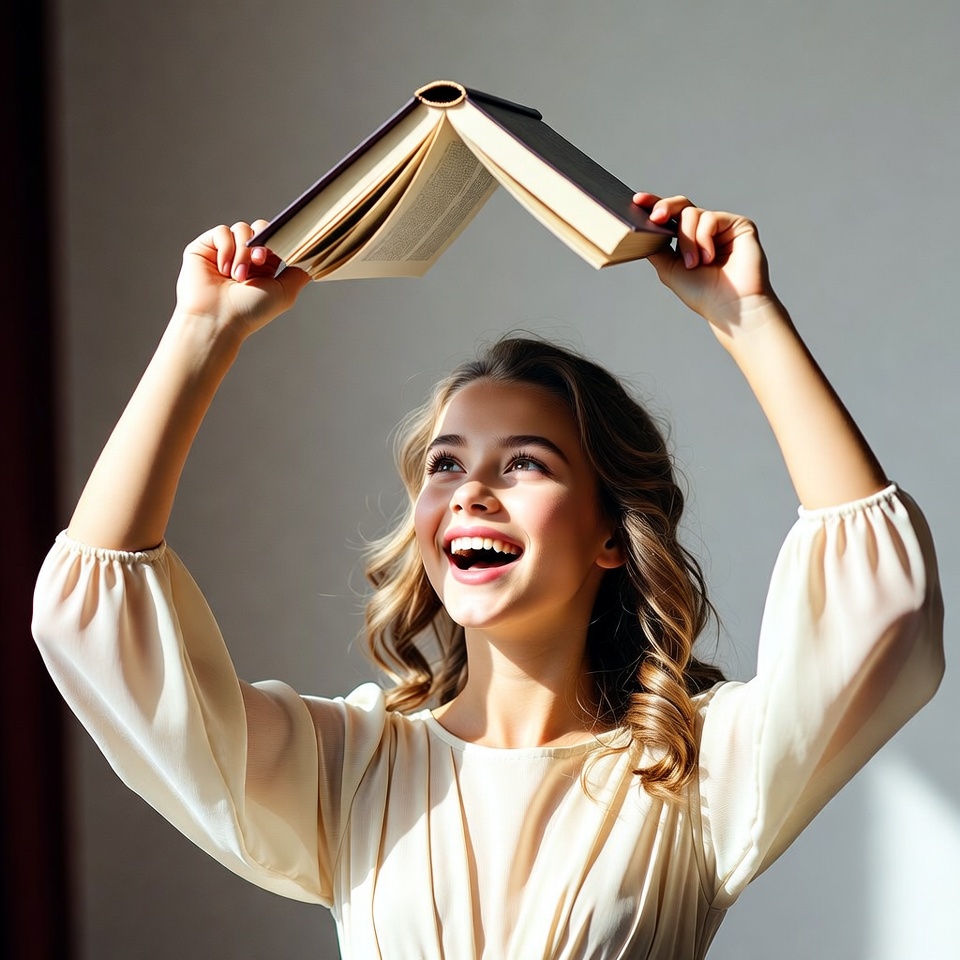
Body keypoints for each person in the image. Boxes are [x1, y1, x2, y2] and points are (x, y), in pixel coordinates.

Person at [32, 195, 944, 959]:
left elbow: (883, 612)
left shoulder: (694, 774)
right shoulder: (353, 766)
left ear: (611, 538)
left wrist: (746, 319)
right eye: (444, 464)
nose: (469, 490)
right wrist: (201, 334)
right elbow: (99, 632)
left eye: (525, 465)